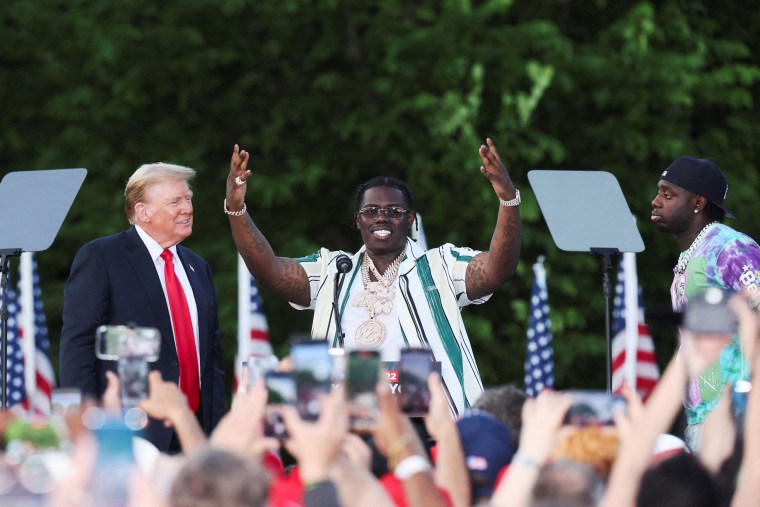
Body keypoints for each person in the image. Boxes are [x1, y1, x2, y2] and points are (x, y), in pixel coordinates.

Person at [223, 139, 521, 416]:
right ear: (357, 220)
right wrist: (237, 211)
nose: (381, 217)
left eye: (394, 210)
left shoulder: (440, 264)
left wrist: (508, 200)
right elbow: (270, 271)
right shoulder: (333, 270)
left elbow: (498, 269)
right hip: (345, 426)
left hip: (432, 425)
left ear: (410, 219)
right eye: (371, 211)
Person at [59, 162, 226, 453]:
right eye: (175, 201)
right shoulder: (102, 257)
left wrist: (215, 427)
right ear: (143, 211)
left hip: (196, 431)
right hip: (129, 427)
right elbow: (78, 344)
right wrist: (84, 422)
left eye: (188, 198)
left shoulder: (198, 267)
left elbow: (211, 357)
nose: (187, 208)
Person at [650, 155, 760, 449]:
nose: (655, 201)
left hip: (737, 415)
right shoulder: (693, 254)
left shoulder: (729, 246)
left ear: (698, 203)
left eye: (667, 194)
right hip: (703, 415)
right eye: (659, 192)